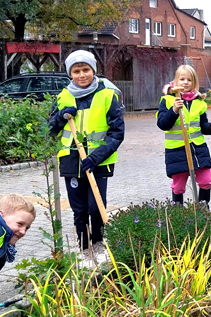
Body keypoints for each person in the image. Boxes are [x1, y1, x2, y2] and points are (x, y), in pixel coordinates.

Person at [49, 50, 125, 260]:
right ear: (70, 74)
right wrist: (61, 116)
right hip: (71, 161)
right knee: (79, 209)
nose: (81, 75)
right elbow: (51, 129)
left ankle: (98, 243)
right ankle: (84, 248)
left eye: (86, 70)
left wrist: (96, 157)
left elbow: (117, 133)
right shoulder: (63, 97)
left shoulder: (108, 95)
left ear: (93, 70)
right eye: (76, 71)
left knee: (95, 206)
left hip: (98, 161)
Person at [156, 65, 211, 207]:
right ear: (175, 82)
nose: (185, 82)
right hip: (177, 151)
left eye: (189, 80)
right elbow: (162, 124)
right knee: (178, 185)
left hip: (198, 150)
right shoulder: (167, 100)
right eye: (182, 79)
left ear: (194, 82)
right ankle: (177, 211)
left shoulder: (199, 103)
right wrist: (173, 110)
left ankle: (203, 207)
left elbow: (202, 125)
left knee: (206, 180)